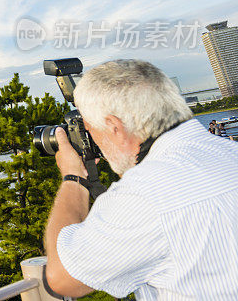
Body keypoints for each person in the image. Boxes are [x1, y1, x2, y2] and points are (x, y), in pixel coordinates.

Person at [44, 59, 238, 300]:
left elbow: (63, 279)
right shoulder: (230, 151)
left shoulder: (142, 195)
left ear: (114, 126)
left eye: (90, 130)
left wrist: (73, 177)